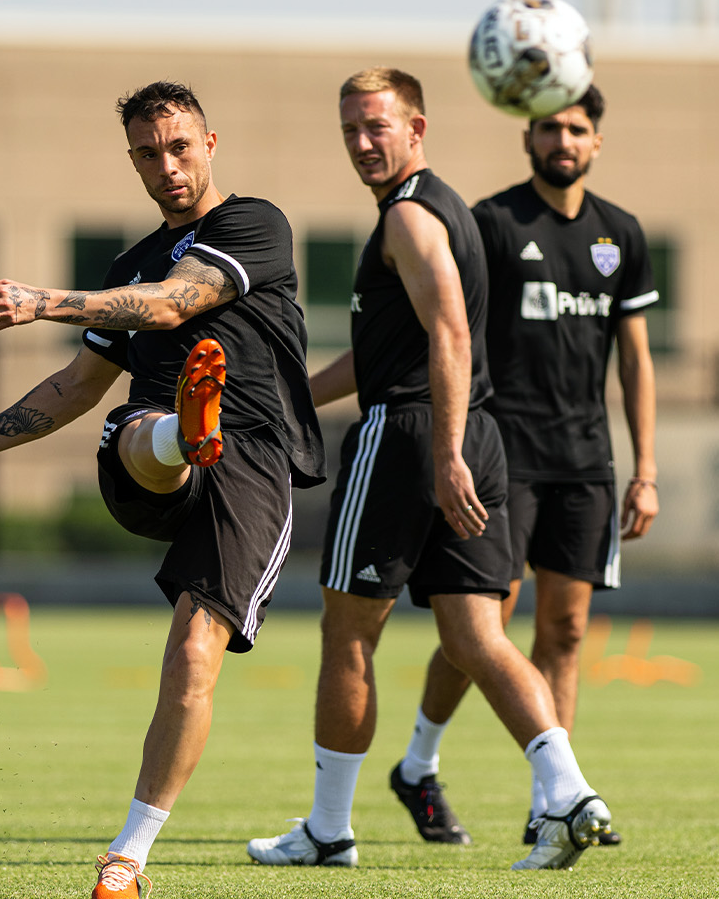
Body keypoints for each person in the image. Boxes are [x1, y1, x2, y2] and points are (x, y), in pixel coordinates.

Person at [0, 81, 324, 899]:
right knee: (129, 423)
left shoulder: (254, 224)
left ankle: (129, 855)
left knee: (194, 657)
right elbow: (76, 385)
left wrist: (39, 300)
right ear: (132, 160)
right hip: (149, 461)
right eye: (149, 153)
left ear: (210, 142)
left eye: (180, 147)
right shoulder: (129, 263)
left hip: (256, 462)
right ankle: (181, 432)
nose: (168, 166)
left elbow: (170, 307)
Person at [245, 67, 613, 873]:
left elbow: (449, 336)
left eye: (378, 126)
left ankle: (329, 831)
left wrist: (443, 453)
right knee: (478, 636)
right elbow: (395, 349)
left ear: (417, 129)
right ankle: (569, 792)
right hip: (475, 433)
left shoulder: (408, 218)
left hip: (413, 441)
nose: (362, 143)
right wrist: (300, 402)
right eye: (350, 130)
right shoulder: (442, 208)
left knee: (347, 634)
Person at [389, 84, 658, 850]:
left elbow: (634, 362)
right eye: (548, 129)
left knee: (565, 634)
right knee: (482, 628)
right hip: (503, 458)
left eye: (575, 129)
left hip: (587, 466)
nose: (562, 141)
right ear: (527, 139)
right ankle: (419, 763)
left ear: (596, 142)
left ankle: (554, 799)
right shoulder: (493, 223)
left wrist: (646, 470)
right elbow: (449, 331)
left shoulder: (622, 235)